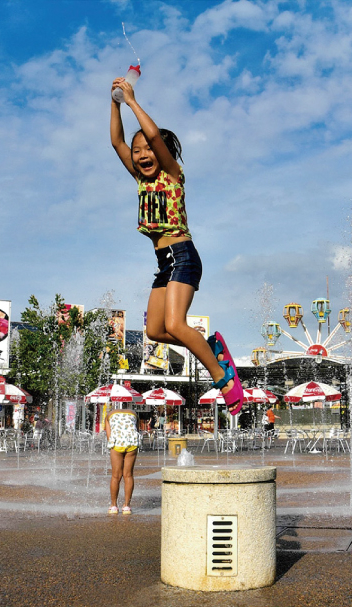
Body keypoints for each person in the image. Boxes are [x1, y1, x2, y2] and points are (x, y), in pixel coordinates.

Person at [110, 76, 245, 415]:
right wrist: (114, 102)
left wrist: (132, 101)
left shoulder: (172, 174)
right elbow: (116, 141)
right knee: (155, 330)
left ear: (164, 154)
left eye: (149, 150)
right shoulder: (142, 179)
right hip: (164, 263)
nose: (142, 154)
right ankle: (211, 347)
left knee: (176, 324)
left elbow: (154, 135)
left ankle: (225, 379)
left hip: (183, 255)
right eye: (137, 151)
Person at [104, 403, 141, 515]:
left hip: (117, 443)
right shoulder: (134, 413)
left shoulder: (109, 414)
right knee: (128, 475)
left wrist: (112, 445)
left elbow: (109, 435)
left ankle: (113, 505)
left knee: (116, 475)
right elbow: (136, 430)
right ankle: (127, 506)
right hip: (132, 443)